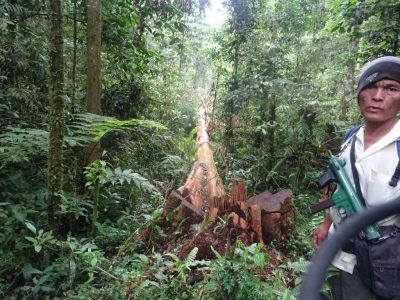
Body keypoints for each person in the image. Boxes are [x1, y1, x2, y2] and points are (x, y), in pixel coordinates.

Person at [312, 56, 400, 300]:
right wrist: (326, 225)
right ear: (360, 92)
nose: (378, 96)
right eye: (371, 86)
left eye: (391, 88)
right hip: (336, 252)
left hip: (378, 263)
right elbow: (336, 186)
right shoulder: (350, 138)